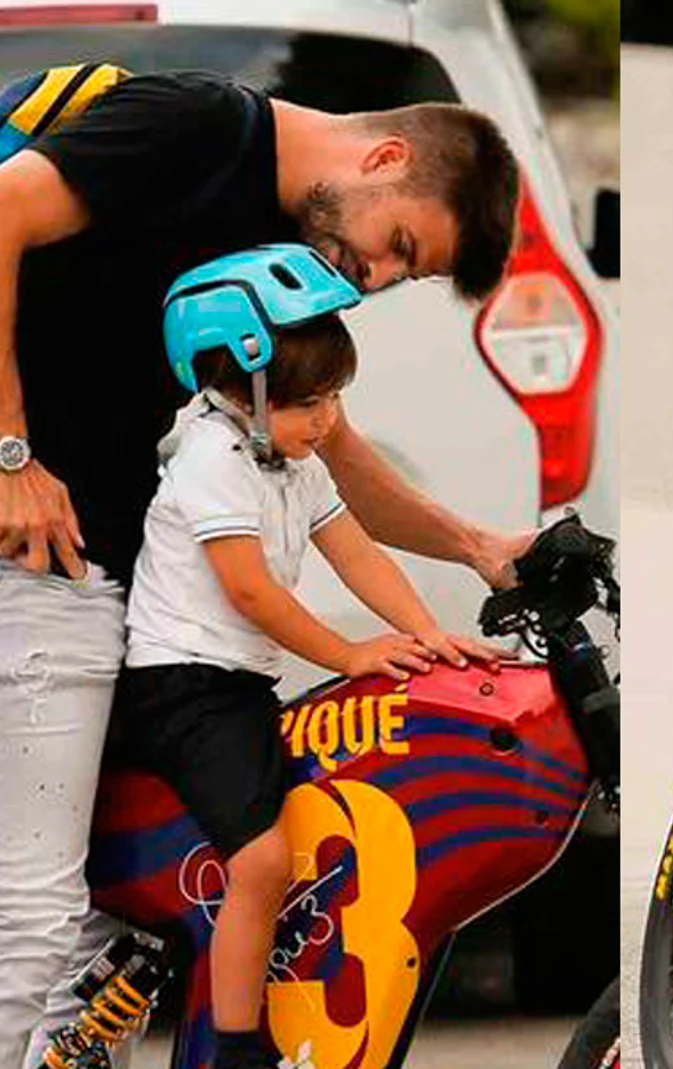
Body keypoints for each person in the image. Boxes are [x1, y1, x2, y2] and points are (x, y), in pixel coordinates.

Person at [0, 69, 521, 1065]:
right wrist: (10, 455)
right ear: (385, 158)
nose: (374, 279)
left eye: (399, 278)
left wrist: (472, 544)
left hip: (102, 564)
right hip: (33, 548)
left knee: (100, 924)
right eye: (399, 249)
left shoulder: (278, 258)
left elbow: (328, 450)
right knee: (30, 913)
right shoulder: (195, 129)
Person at [121, 245, 500, 1069]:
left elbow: (355, 550)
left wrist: (425, 631)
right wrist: (350, 652)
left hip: (234, 685)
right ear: (244, 392)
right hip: (182, 686)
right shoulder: (209, 461)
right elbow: (252, 593)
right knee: (261, 858)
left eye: (335, 397)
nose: (328, 419)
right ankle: (233, 1044)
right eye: (311, 402)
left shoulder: (288, 458)